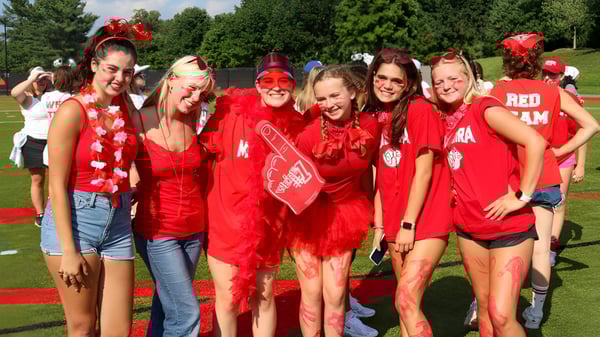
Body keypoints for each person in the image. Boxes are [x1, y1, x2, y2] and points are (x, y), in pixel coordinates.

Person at [431, 49, 546, 337]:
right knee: (483, 309)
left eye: (453, 78)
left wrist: (522, 196)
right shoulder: (445, 119)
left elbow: (535, 142)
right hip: (469, 227)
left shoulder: (485, 108)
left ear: (468, 77)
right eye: (438, 81)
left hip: (510, 228)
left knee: (501, 314)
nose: (445, 86)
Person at [490, 33, 599, 329]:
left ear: (507, 61)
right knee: (541, 248)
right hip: (544, 176)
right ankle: (536, 312)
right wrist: (561, 151)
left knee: (497, 245)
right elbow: (592, 125)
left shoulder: (496, 91)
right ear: (537, 62)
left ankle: (485, 303)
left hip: (506, 179)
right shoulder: (554, 92)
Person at [40, 19, 138, 336]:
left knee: (118, 329)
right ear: (94, 65)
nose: (119, 78)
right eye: (111, 69)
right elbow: (55, 184)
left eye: (127, 72)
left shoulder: (124, 109)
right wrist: (68, 250)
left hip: (119, 219)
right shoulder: (72, 110)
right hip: (77, 219)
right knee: (83, 326)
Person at [200, 52, 306, 337]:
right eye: (267, 80)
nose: (276, 86)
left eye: (283, 80)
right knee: (227, 298)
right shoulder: (229, 112)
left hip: (269, 225)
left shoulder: (297, 125)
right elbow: (195, 147)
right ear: (257, 85)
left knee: (265, 295)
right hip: (225, 221)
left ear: (293, 85)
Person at [286, 65, 379, 337]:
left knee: (336, 294)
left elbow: (372, 175)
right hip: (307, 219)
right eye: (322, 99)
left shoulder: (372, 126)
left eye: (334, 96)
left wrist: (377, 217)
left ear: (352, 92)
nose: (328, 104)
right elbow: (291, 184)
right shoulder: (308, 135)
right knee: (312, 293)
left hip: (345, 216)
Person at [366, 48, 452, 337]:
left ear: (409, 84)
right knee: (406, 301)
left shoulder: (420, 109)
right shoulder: (378, 115)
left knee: (405, 299)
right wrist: (380, 224)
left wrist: (408, 223)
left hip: (423, 217)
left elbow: (424, 172)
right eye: (381, 78)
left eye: (396, 81)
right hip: (394, 219)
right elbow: (380, 174)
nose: (386, 85)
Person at [130, 55, 215, 336]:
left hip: (194, 230)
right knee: (186, 313)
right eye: (189, 89)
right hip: (157, 232)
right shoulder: (139, 122)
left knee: (166, 304)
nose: (194, 98)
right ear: (170, 81)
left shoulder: (199, 123)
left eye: (201, 93)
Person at [546, 62, 587, 266]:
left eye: (553, 75)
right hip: (539, 159)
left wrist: (580, 165)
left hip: (563, 159)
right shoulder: (535, 97)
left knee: (558, 203)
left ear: (562, 76)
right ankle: (534, 246)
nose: (548, 78)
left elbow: (583, 130)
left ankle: (551, 249)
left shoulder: (569, 99)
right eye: (545, 73)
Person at [11, 66, 52, 227]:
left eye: (44, 79)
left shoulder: (52, 96)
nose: (41, 82)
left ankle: (55, 211)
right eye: (38, 79)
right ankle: (40, 213)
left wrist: (54, 78)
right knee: (37, 179)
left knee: (56, 179)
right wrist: (32, 78)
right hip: (33, 142)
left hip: (54, 142)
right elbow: (14, 92)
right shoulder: (26, 98)